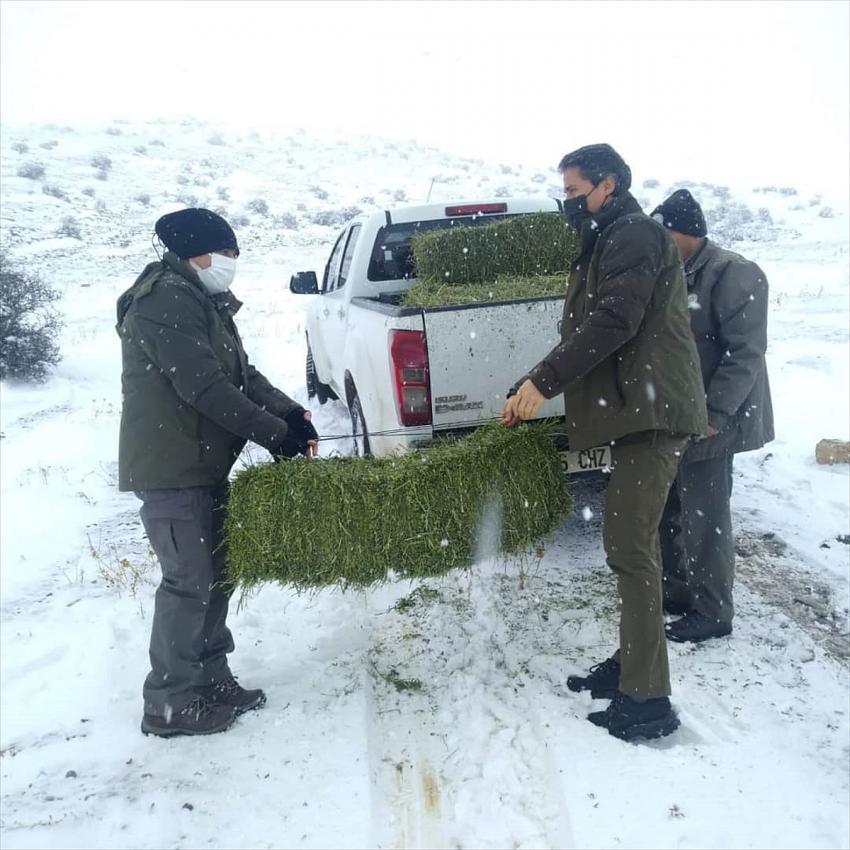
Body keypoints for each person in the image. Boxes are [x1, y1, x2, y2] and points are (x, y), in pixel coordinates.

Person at [502, 144, 707, 741]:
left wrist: (544, 382)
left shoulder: (635, 235)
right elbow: (588, 327)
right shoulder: (608, 237)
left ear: (608, 184)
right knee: (631, 546)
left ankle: (647, 701)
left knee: (630, 549)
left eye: (575, 190)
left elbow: (614, 321)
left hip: (652, 415)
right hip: (635, 413)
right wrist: (531, 381)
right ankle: (632, 663)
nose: (567, 201)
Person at [116, 208, 318, 737]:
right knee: (188, 583)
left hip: (202, 462)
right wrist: (274, 435)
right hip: (170, 466)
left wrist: (290, 414)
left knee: (217, 575)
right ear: (196, 252)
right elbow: (203, 387)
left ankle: (209, 676)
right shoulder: (163, 301)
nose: (232, 262)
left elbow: (240, 375)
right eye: (226, 253)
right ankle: (169, 703)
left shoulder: (201, 299)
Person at [650, 189, 774, 642]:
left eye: (664, 234)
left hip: (715, 417)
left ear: (685, 232)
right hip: (678, 414)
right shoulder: (674, 271)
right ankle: (678, 592)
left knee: (705, 517)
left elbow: (745, 354)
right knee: (669, 508)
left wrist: (715, 414)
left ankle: (713, 612)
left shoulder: (734, 273)